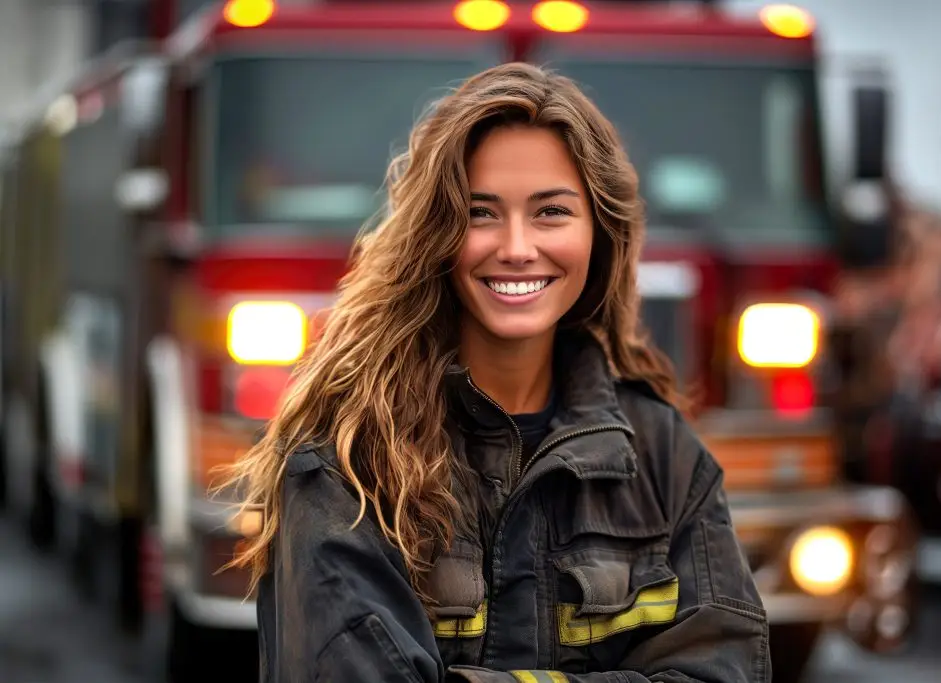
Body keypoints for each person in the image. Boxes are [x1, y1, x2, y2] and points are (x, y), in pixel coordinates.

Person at [225, 62, 770, 683]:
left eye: (551, 212)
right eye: (480, 213)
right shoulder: (349, 457)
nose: (516, 247)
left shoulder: (665, 457)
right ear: (435, 234)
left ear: (601, 234)